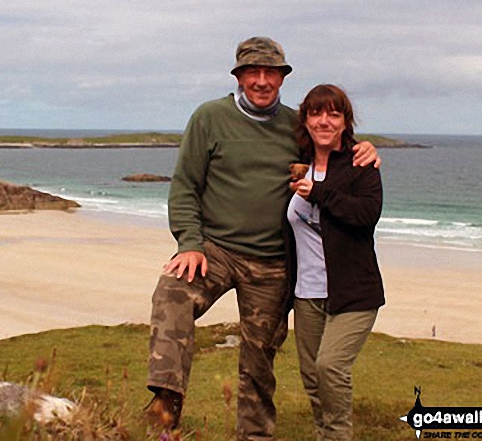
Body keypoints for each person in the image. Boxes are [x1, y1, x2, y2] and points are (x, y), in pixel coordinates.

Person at [145, 37, 381, 440]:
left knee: (258, 363)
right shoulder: (208, 118)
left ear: (281, 78)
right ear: (238, 76)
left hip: (272, 263)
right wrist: (189, 242)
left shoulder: (296, 125)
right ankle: (167, 398)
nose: (261, 80)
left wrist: (366, 150)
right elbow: (185, 186)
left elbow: (333, 146)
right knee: (172, 292)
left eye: (270, 72)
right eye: (252, 72)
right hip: (215, 249)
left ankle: (254, 437)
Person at [287, 84, 385, 441]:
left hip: (354, 292)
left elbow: (367, 214)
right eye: (316, 113)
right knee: (312, 378)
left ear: (345, 121)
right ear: (306, 120)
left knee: (330, 367)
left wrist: (321, 192)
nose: (324, 121)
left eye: (333, 113)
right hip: (307, 293)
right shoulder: (298, 161)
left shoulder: (361, 162)